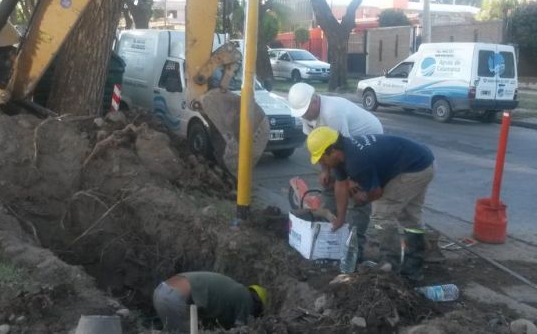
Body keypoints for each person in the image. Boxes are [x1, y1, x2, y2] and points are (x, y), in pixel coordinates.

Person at [306, 126, 435, 281]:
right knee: (410, 217)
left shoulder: (356, 161)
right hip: (420, 161)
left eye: (321, 157)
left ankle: (390, 263)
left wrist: (364, 197)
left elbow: (376, 193)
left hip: (415, 169)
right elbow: (341, 186)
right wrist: (340, 218)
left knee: (381, 213)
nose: (321, 161)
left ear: (332, 150)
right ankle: (413, 270)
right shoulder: (342, 154)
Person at [288, 82, 383, 256]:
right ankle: (329, 230)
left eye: (306, 110)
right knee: (330, 183)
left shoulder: (332, 113)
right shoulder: (306, 115)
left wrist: (350, 180)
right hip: (342, 147)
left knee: (356, 192)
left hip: (367, 142)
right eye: (302, 113)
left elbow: (344, 150)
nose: (305, 115)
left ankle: (355, 244)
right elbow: (319, 148)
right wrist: (325, 171)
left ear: (315, 100)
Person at [152, 271, 267, 332]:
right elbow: (240, 330)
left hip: (161, 291)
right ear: (257, 302)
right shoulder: (245, 297)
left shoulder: (231, 290)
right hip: (175, 297)